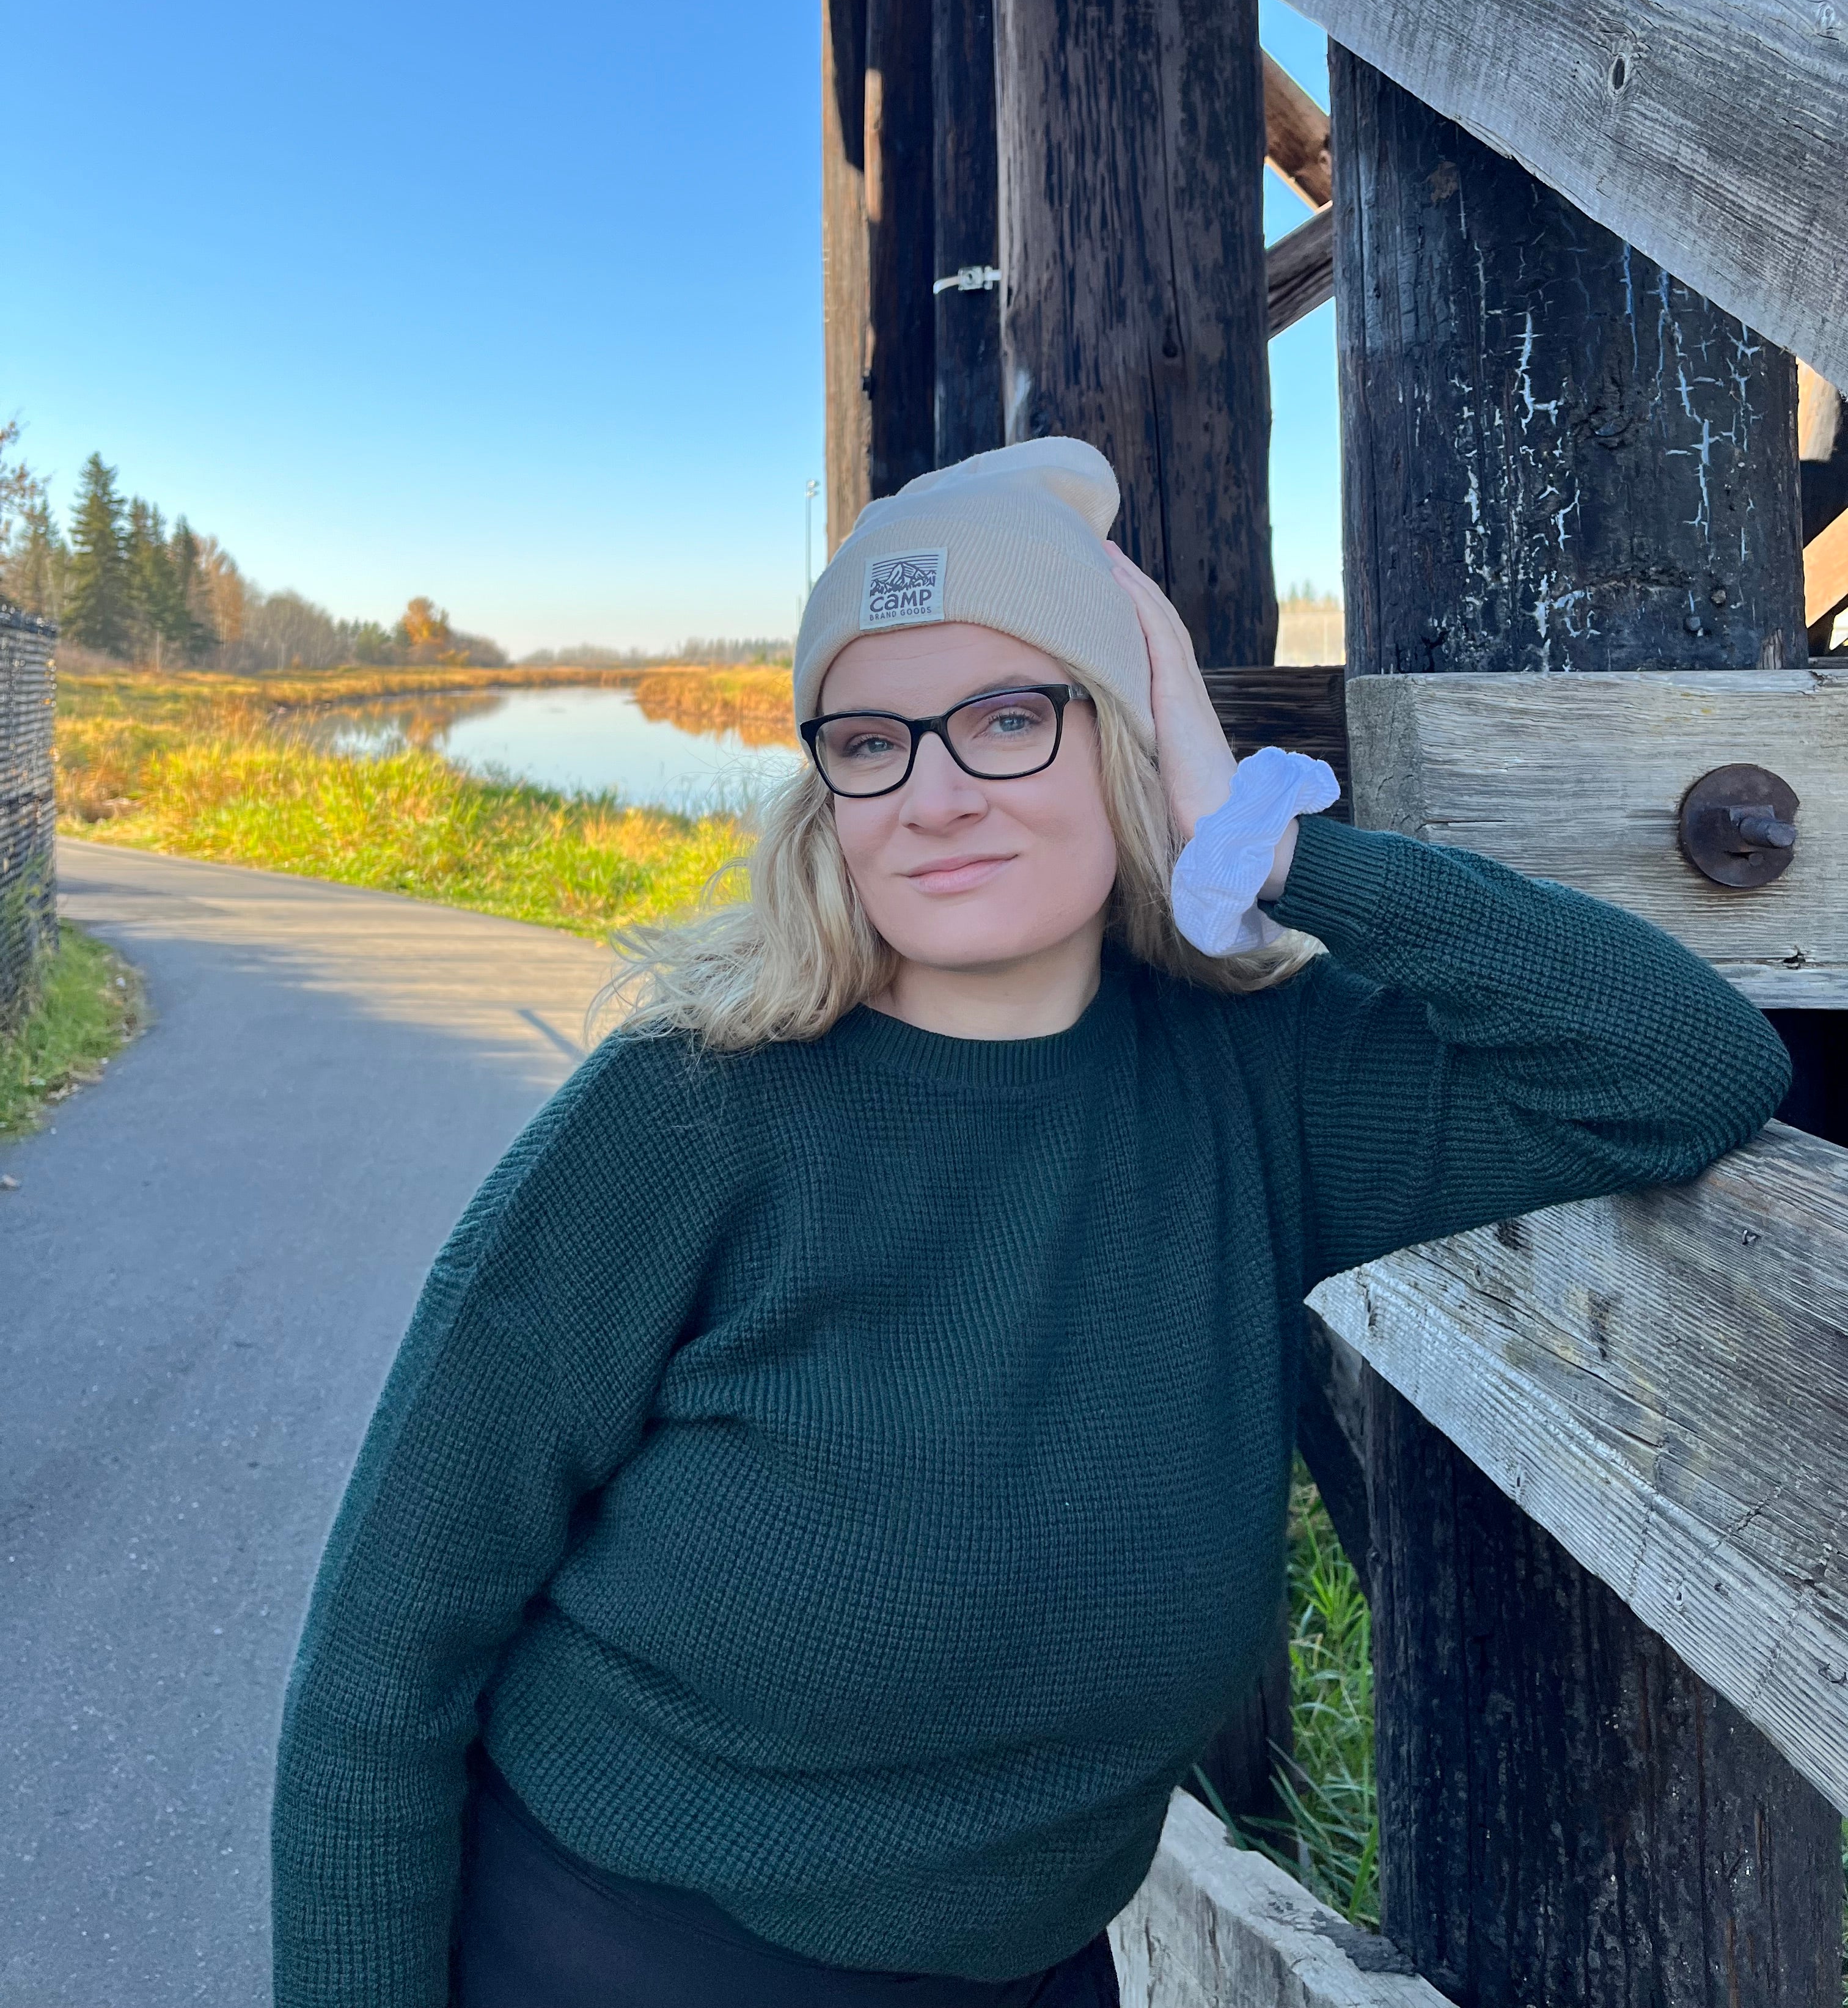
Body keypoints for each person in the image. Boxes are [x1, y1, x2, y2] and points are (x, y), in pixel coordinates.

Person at [271, 439, 1789, 2008]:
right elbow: (387, 1659)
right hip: (613, 1949)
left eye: (1011, 719)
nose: (933, 798)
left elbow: (1681, 1069)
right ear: (827, 792)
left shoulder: (1262, 1089)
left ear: (1128, 741)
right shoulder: (686, 1117)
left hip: (1040, 1970)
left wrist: (1272, 840)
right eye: (869, 741)